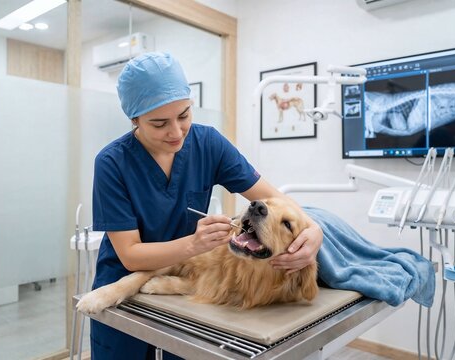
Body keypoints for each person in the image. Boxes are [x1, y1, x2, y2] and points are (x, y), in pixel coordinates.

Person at [90, 52, 323, 360]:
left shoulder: (208, 143)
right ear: (134, 119)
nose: (176, 133)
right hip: (123, 287)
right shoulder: (112, 163)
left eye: (184, 115)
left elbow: (276, 200)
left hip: (183, 282)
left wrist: (315, 229)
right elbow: (131, 255)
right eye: (159, 123)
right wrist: (194, 244)